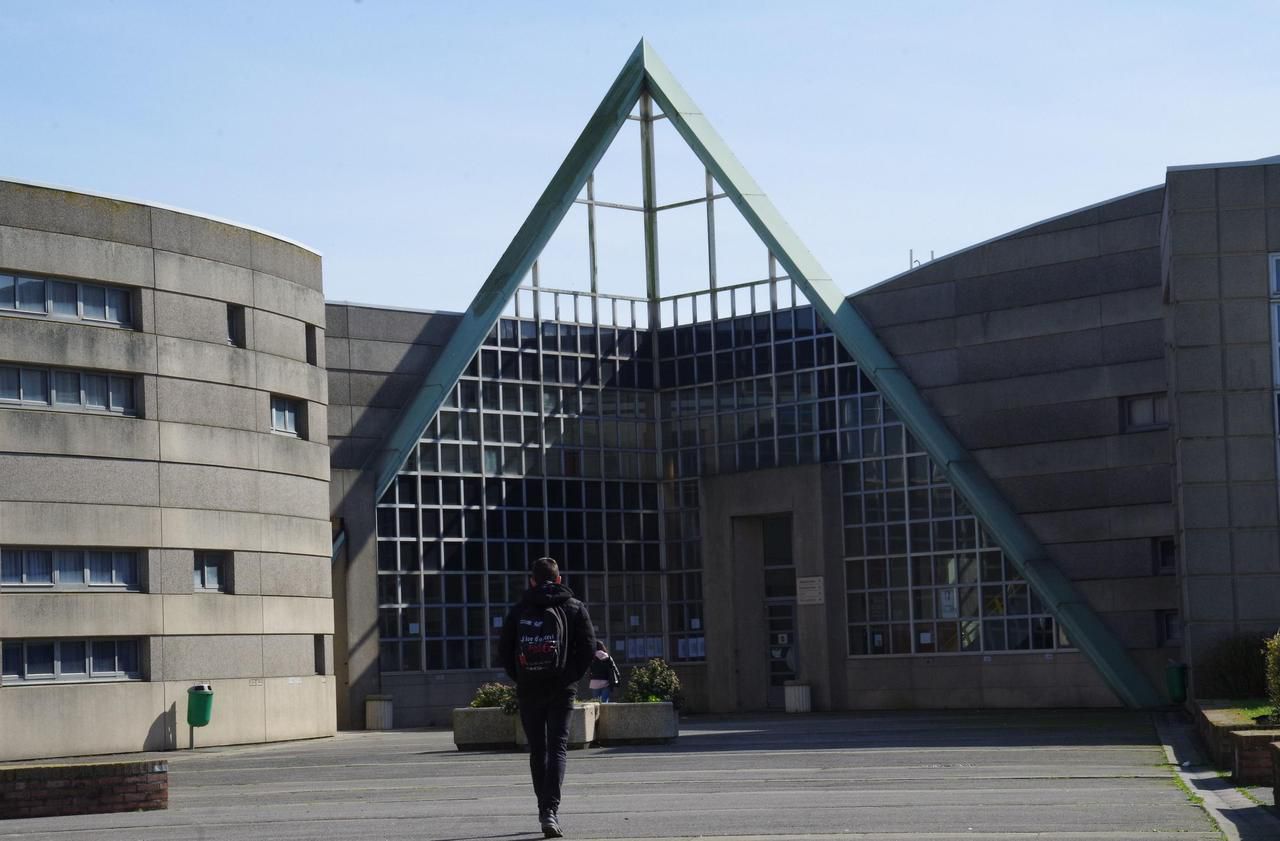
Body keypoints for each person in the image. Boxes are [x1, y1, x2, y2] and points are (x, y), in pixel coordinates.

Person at [499, 557, 596, 838]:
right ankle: (549, 810)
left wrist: (521, 676)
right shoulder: (574, 607)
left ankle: (544, 809)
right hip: (561, 688)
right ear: (559, 579)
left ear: (532, 580)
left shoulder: (519, 610)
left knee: (537, 749)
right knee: (558, 747)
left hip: (530, 687)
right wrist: (569, 676)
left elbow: (504, 649)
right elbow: (588, 647)